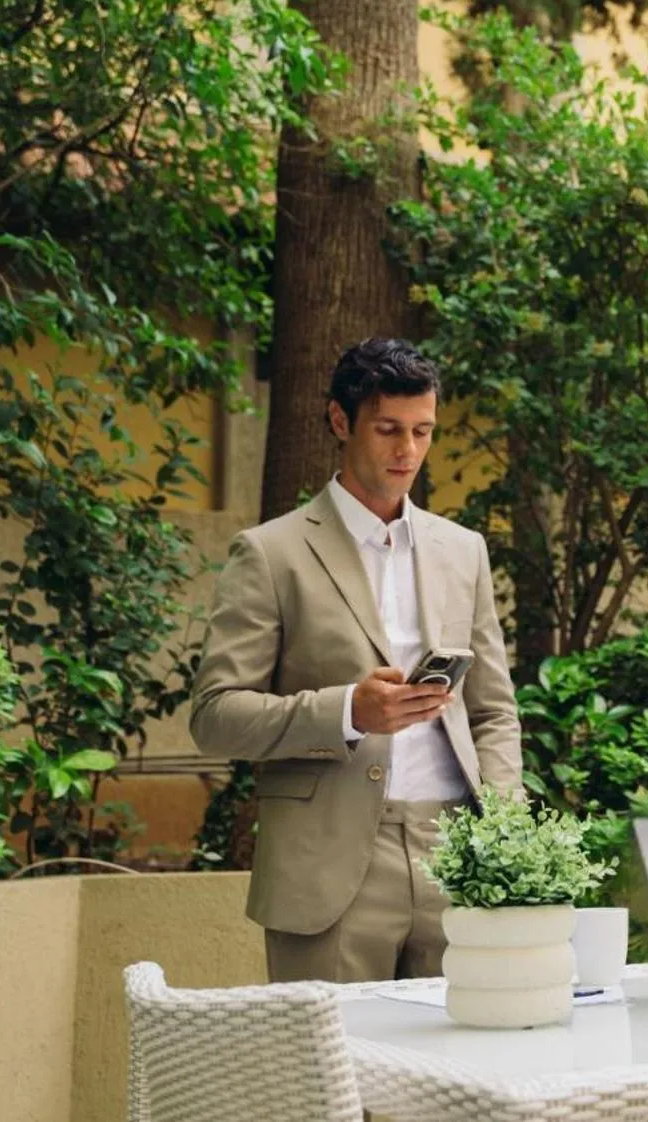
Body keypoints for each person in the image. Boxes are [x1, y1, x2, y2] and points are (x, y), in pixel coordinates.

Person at [189, 338, 521, 983]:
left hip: (458, 856)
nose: (408, 451)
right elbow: (215, 716)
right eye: (388, 429)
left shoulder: (464, 551)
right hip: (328, 867)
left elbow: (493, 711)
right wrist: (347, 711)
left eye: (423, 431)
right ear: (341, 421)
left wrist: (504, 829)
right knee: (334, 1051)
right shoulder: (270, 553)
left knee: (462, 1048)